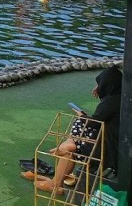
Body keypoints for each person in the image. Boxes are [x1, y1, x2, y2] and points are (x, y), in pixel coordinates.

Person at [33, 66, 123, 195]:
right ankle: (70, 143)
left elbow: (94, 122)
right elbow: (102, 119)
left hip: (107, 151)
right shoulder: (121, 98)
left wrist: (82, 116)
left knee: (69, 151)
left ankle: (55, 185)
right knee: (79, 124)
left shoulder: (111, 102)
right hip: (114, 144)